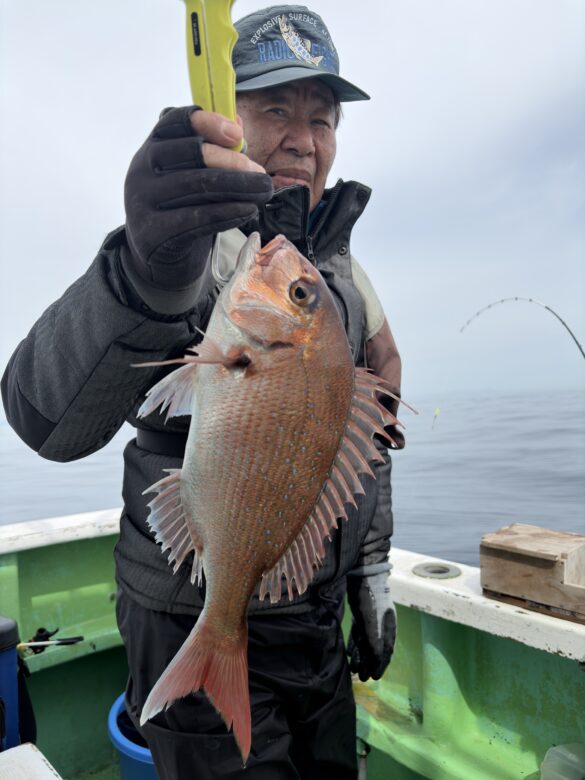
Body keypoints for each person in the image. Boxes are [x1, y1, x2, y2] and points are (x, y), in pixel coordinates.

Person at [1, 5, 403, 779]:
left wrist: (371, 572)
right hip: (190, 604)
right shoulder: (187, 252)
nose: (303, 139)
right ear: (229, 119)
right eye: (274, 109)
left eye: (321, 119)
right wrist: (142, 274)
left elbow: (365, 437)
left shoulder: (339, 280)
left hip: (315, 621)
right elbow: (43, 421)